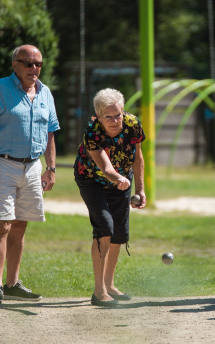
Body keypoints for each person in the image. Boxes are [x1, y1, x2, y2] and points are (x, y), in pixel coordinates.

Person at [0, 45, 60, 303]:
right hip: (1, 164)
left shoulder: (45, 93)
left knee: (20, 224)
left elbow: (50, 132)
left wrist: (51, 168)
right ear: (15, 65)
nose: (34, 69)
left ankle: (12, 283)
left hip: (32, 166)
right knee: (2, 225)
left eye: (38, 64)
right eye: (28, 63)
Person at [74, 88, 146, 307]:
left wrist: (140, 189)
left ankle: (110, 284)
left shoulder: (133, 125)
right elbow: (105, 167)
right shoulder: (92, 131)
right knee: (104, 227)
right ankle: (99, 292)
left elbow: (138, 157)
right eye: (109, 117)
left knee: (119, 233)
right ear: (98, 116)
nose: (115, 121)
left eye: (118, 115)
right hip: (92, 179)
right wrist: (119, 179)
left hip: (122, 178)